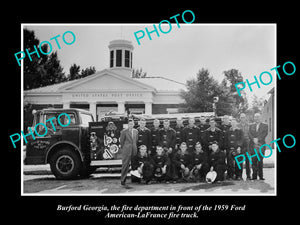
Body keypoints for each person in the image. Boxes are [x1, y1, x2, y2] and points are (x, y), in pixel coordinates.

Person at [248, 113, 268, 180]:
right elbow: (249, 133)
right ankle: (254, 176)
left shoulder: (265, 125)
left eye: (258, 117)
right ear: (254, 118)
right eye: (255, 117)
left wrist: (258, 139)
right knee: (254, 161)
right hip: (253, 145)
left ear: (260, 118)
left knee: (260, 161)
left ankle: (261, 176)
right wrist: (253, 139)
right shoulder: (251, 125)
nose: (257, 118)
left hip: (261, 146)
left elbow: (264, 134)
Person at [120, 119, 138, 188]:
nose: (131, 125)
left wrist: (134, 148)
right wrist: (125, 149)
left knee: (134, 165)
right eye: (130, 124)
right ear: (128, 124)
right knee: (125, 166)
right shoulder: (124, 131)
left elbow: (135, 141)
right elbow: (121, 142)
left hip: (134, 150)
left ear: (133, 124)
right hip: (126, 151)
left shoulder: (136, 131)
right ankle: (123, 180)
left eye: (132, 124)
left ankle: (135, 179)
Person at [238, 113, 251, 180]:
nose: (242, 118)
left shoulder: (249, 125)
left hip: (247, 144)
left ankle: (248, 175)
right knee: (240, 160)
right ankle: (240, 175)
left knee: (248, 160)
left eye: (243, 117)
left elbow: (251, 134)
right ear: (240, 118)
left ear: (245, 118)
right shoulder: (237, 125)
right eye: (241, 117)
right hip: (240, 144)